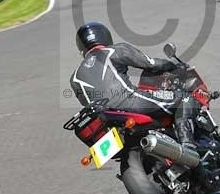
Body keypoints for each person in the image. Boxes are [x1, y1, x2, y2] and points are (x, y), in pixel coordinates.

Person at [69, 21, 198, 149]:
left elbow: (87, 102)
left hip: (107, 119)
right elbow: (151, 64)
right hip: (130, 102)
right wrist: (173, 66)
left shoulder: (74, 78)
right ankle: (188, 144)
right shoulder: (115, 51)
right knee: (184, 98)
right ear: (105, 37)